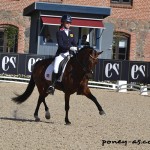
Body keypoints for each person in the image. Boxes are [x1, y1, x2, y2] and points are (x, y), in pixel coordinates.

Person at [47, 14, 77, 95]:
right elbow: (61, 45)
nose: (69, 24)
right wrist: (70, 48)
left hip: (70, 54)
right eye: (67, 22)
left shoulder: (71, 32)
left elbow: (74, 43)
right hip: (61, 54)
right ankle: (52, 86)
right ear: (63, 23)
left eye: (70, 22)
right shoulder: (59, 32)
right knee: (56, 68)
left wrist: (76, 47)